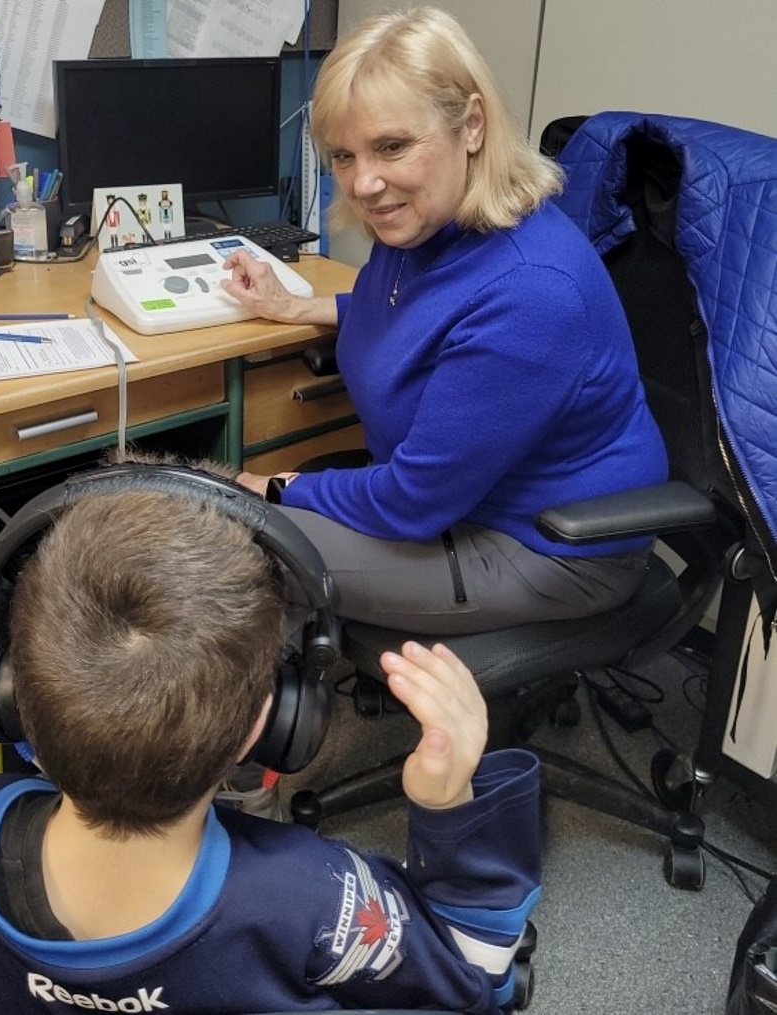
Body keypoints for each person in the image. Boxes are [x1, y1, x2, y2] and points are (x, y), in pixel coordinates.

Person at [0, 467, 541, 1014]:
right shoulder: (309, 894)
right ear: (274, 721)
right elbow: (473, 979)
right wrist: (452, 811)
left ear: (9, 693)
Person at [221, 6, 668, 636]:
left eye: (392, 146)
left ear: (473, 126)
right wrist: (294, 307)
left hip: (543, 545)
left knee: (244, 551)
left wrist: (276, 487)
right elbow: (410, 316)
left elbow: (411, 502)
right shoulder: (421, 226)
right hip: (453, 498)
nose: (364, 183)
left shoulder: (531, 291)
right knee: (236, 526)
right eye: (343, 156)